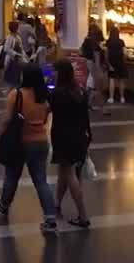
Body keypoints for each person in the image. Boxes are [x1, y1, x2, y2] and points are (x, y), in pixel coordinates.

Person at [0, 64, 59, 233]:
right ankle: (50, 217)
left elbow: (7, 119)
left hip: (19, 142)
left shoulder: (16, 95)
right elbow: (45, 119)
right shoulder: (44, 96)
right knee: (41, 181)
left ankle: (4, 205)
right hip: (41, 141)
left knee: (11, 176)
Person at [49, 59, 92, 228]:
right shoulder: (78, 91)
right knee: (64, 170)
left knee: (70, 173)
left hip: (63, 137)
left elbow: (47, 110)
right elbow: (85, 117)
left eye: (55, 71)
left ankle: (83, 215)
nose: (53, 74)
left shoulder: (58, 94)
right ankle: (57, 202)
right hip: (78, 136)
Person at [81, 24, 109, 115]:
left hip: (87, 66)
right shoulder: (96, 47)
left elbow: (81, 51)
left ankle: (87, 104)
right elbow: (97, 60)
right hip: (94, 67)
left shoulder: (86, 42)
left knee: (91, 87)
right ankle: (102, 108)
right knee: (98, 89)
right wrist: (99, 72)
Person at [106, 26, 128, 104]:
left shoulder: (108, 42)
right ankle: (122, 98)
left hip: (112, 63)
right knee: (121, 80)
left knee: (112, 80)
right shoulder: (121, 42)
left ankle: (111, 98)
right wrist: (124, 61)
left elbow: (106, 54)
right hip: (120, 62)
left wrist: (108, 64)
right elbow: (125, 52)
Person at [2, 21, 27, 88]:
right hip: (12, 61)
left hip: (19, 60)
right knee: (12, 81)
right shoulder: (9, 38)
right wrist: (15, 54)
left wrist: (24, 56)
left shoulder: (18, 37)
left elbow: (21, 48)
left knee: (18, 79)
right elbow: (6, 48)